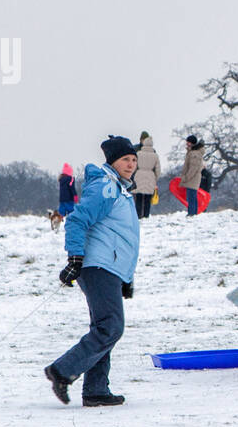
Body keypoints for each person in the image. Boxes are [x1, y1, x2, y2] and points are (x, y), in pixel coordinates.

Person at [44, 135, 141, 407]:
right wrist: (74, 257)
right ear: (112, 161)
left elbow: (121, 237)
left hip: (108, 268)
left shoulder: (119, 190)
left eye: (134, 159)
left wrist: (126, 278)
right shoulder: (106, 188)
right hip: (98, 266)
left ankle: (96, 389)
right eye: (125, 159)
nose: (131, 164)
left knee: (104, 327)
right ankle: (62, 371)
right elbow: (77, 220)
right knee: (111, 327)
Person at [132, 132, 162, 219]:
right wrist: (155, 178)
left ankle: (138, 216)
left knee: (139, 197)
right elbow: (158, 169)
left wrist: (134, 175)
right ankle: (146, 215)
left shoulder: (138, 154)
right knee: (147, 199)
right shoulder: (155, 155)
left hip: (139, 176)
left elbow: (134, 166)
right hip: (150, 177)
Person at [181, 135, 206, 217]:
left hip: (192, 178)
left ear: (191, 143)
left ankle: (192, 213)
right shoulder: (192, 152)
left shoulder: (194, 153)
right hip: (193, 178)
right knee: (192, 196)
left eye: (188, 142)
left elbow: (193, 168)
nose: (187, 144)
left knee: (191, 197)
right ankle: (192, 212)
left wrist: (186, 177)